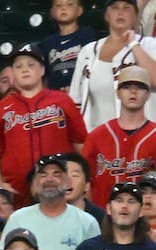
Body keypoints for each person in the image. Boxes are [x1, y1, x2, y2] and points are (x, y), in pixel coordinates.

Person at [0, 44, 87, 208]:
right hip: (19, 192)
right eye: (19, 66)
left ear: (42, 70)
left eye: (31, 65)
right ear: (14, 73)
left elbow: (81, 144)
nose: (25, 70)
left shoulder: (62, 100)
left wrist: (85, 180)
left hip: (60, 187)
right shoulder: (4, 107)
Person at [0, 155, 100, 250]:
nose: (49, 179)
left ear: (67, 182)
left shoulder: (87, 222)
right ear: (35, 182)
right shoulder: (18, 218)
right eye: (43, 175)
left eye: (56, 174)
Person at [69, 0, 156, 132]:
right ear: (106, 15)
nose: (120, 12)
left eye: (127, 8)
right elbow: (75, 101)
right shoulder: (88, 51)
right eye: (114, 8)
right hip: (99, 138)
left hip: (142, 137)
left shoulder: (148, 45)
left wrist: (133, 45)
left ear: (135, 16)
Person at [81, 65, 156, 209]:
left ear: (147, 94)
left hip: (146, 221)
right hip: (104, 218)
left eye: (140, 87)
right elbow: (84, 182)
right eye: (127, 87)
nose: (133, 91)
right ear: (118, 93)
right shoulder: (97, 136)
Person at [40, 0, 98, 92]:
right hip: (56, 97)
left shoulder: (88, 36)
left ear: (79, 10)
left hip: (84, 94)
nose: (64, 8)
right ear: (52, 12)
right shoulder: (47, 43)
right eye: (58, 5)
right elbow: (44, 76)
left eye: (70, 4)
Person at [63, 151, 105, 224]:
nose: (67, 181)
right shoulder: (44, 215)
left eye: (74, 176)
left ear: (87, 185)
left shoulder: (102, 218)